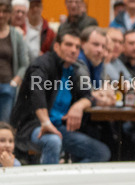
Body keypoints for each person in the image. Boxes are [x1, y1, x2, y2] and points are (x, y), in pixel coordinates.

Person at [11, 28, 110, 165]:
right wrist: (46, 122)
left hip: (60, 127)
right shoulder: (41, 65)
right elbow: (37, 93)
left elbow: (88, 96)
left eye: (77, 47)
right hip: (33, 126)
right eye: (68, 45)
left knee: (101, 152)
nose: (73, 50)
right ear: (57, 46)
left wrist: (79, 105)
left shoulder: (76, 69)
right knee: (53, 141)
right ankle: (49, 179)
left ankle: (68, 177)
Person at [0, 0, 28, 124]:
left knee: (5, 125)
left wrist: (15, 81)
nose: (1, 15)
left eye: (5, 11)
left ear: (10, 14)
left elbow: (24, 63)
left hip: (7, 86)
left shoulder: (16, 35)